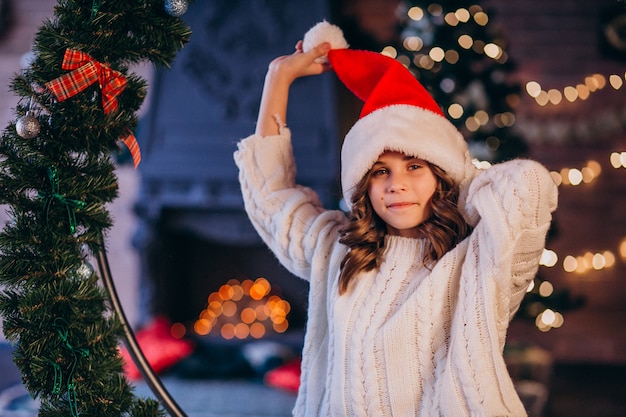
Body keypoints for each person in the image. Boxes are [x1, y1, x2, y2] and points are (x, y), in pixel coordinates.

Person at [234, 21, 558, 417]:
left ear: (442, 175)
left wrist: (460, 180)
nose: (395, 185)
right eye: (380, 170)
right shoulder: (337, 249)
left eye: (415, 166)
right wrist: (278, 78)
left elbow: (528, 184)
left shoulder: (480, 257)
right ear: (364, 185)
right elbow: (270, 199)